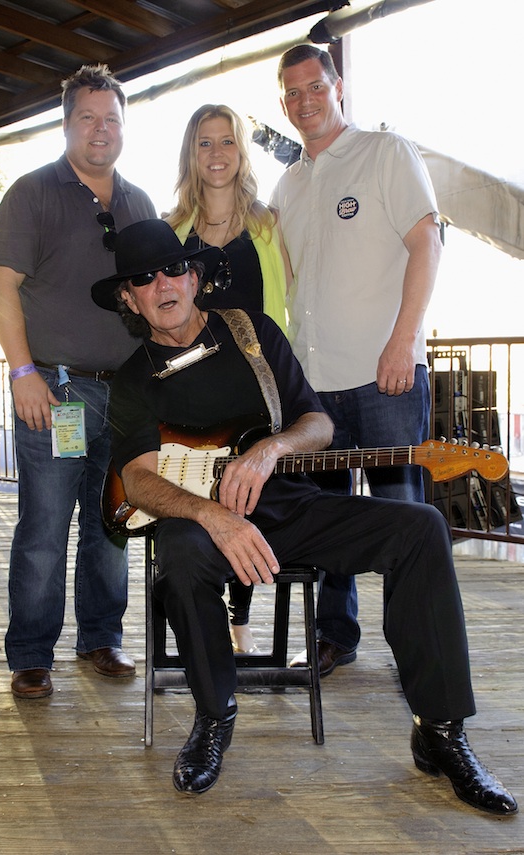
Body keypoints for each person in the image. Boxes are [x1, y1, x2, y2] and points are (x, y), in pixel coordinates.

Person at [90, 218, 517, 814]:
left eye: (172, 269)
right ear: (129, 298)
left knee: (421, 527)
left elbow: (318, 423)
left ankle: (440, 731)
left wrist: (271, 448)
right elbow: (136, 478)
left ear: (192, 276)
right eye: (143, 278)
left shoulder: (250, 332)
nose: (162, 284)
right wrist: (215, 518)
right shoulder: (134, 380)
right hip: (207, 529)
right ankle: (214, 716)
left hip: (293, 510)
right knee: (182, 554)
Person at [0, 64, 157, 700]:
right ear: (66, 124)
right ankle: (31, 652)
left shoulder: (138, 202)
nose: (100, 129)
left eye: (111, 119)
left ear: (123, 127)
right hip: (56, 391)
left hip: (128, 392)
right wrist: (23, 372)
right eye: (88, 117)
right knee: (45, 527)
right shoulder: (33, 192)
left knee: (113, 521)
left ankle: (101, 636)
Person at [269, 45, 443, 677]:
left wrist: (405, 340)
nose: (304, 101)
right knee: (329, 519)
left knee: (405, 515)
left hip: (385, 375)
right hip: (314, 388)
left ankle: (416, 640)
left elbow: (427, 241)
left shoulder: (384, 152)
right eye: (291, 93)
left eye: (314, 87)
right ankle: (335, 634)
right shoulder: (287, 185)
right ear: (283, 104)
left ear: (336, 87)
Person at [164, 103, 290, 654]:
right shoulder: (171, 231)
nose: (217, 154)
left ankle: (239, 622)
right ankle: (203, 621)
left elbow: (283, 310)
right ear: (192, 155)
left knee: (246, 497)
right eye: (205, 143)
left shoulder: (268, 226)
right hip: (190, 395)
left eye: (227, 142)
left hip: (257, 390)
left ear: (241, 152)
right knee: (198, 504)